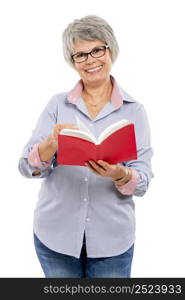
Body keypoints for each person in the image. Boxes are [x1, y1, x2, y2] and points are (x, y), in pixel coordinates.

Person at [18, 15, 154, 278]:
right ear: (72, 62)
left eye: (97, 50)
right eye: (80, 55)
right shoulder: (57, 105)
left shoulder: (135, 111)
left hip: (112, 242)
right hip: (54, 238)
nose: (90, 60)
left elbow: (144, 180)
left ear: (110, 49)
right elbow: (25, 167)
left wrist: (119, 173)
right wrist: (49, 145)